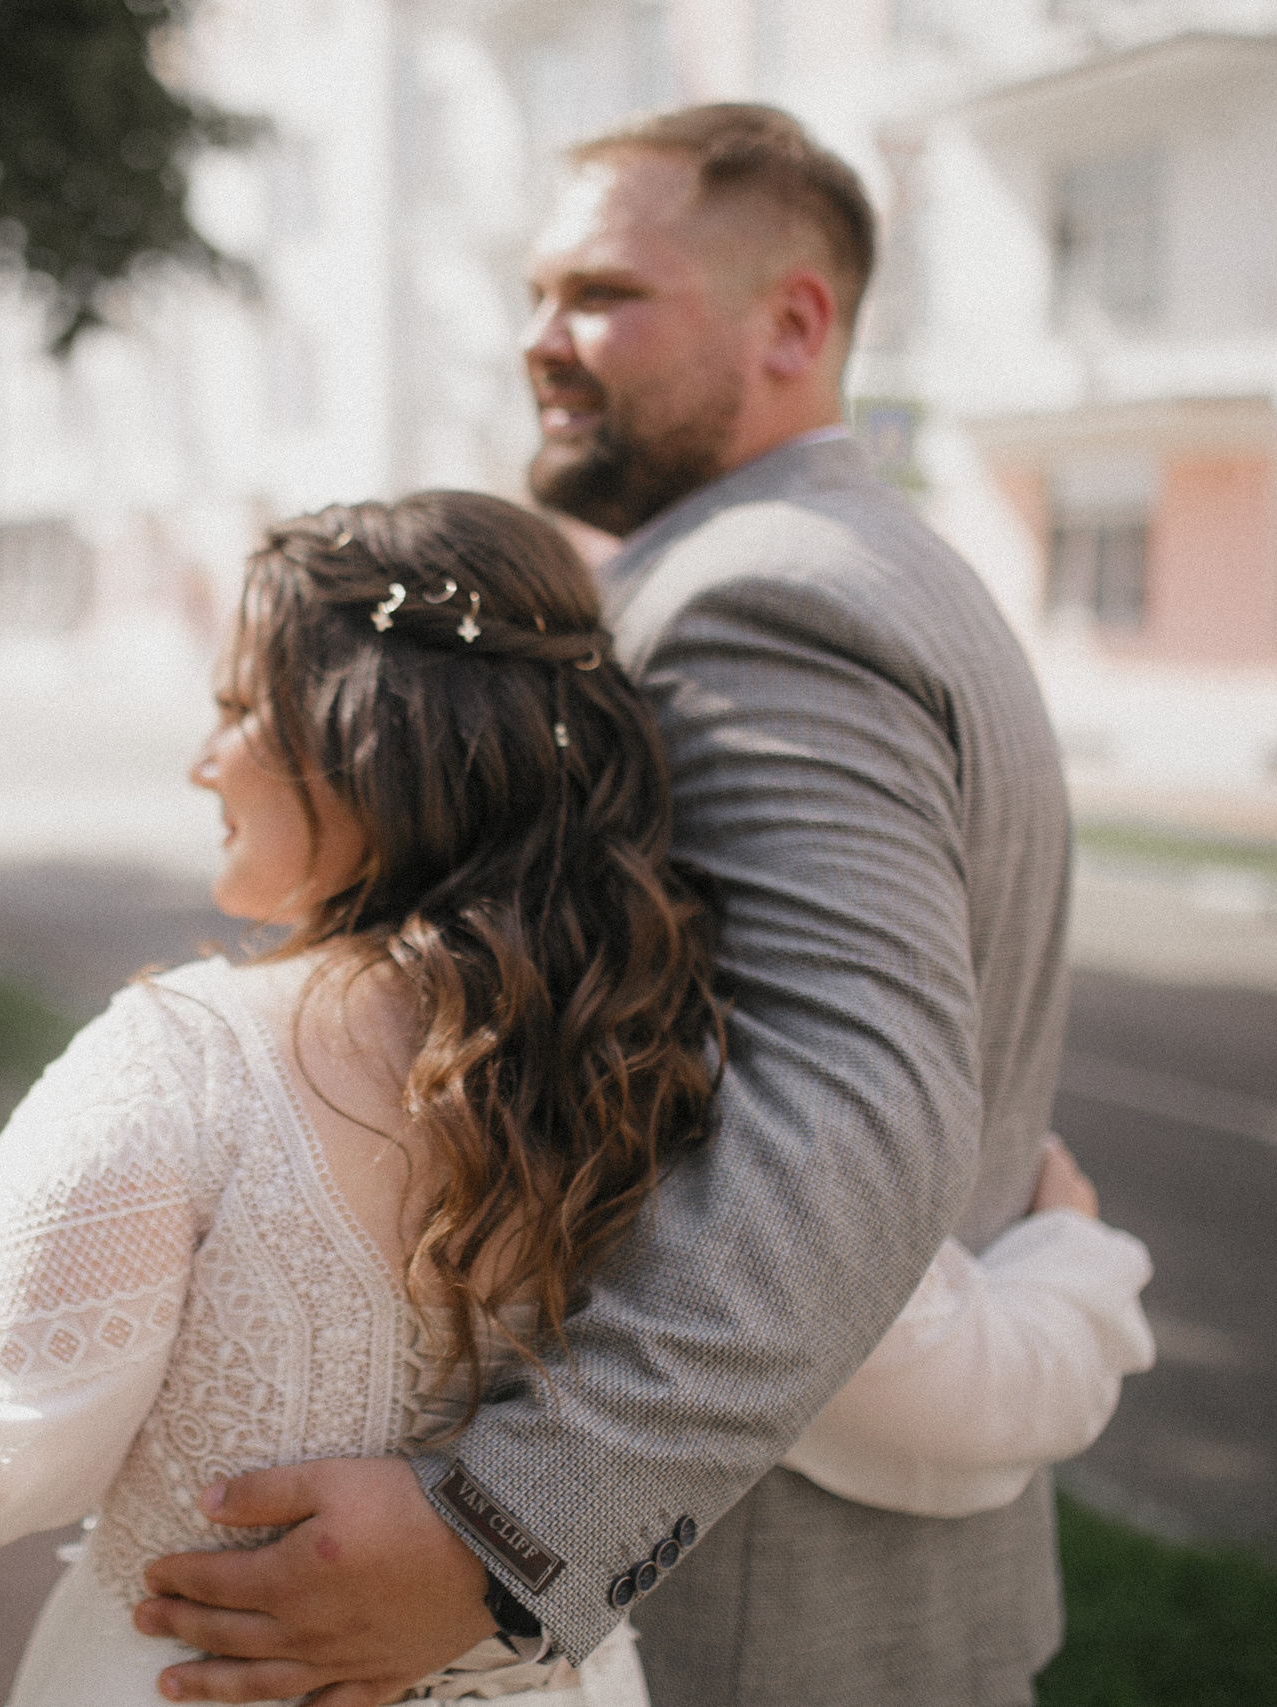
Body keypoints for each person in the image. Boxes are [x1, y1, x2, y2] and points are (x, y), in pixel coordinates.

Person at [0, 489, 1146, 1707]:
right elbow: (946, 1392)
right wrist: (1076, 1269)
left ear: (360, 741)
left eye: (232, 716)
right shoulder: (672, 1082)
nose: (201, 763)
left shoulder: (188, 1069)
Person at [133, 104, 1091, 1707]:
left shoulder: (759, 601)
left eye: (600, 296)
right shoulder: (889, 559)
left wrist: (507, 1536)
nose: (539, 344)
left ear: (794, 320)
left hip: (768, 1625)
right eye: (533, 296)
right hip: (894, 1598)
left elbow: (854, 1112)